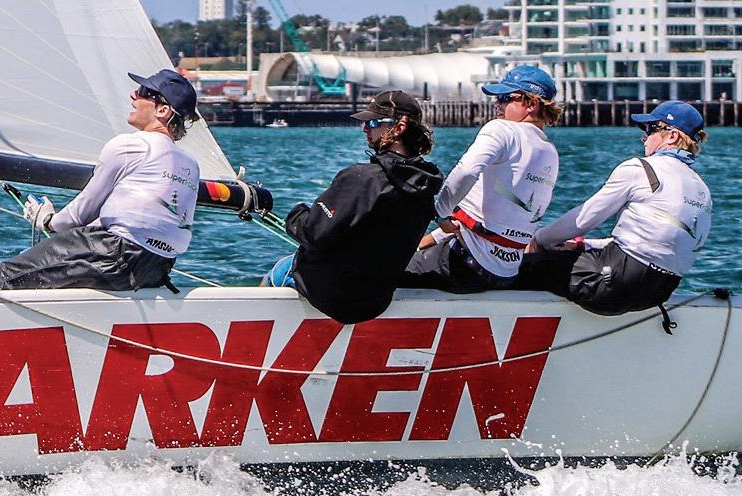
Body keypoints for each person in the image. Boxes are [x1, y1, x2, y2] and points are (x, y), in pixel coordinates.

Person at [0, 69, 201, 291]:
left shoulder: (131, 145)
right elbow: (142, 219)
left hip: (114, 254)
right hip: (157, 268)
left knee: (2, 278)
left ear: (163, 110)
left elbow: (80, 214)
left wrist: (47, 220)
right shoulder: (191, 163)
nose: (133, 94)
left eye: (144, 91)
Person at [515, 101, 713, 315]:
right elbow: (657, 245)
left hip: (614, 284)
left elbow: (587, 217)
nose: (644, 138)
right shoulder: (702, 189)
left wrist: (540, 240)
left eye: (650, 129)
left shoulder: (641, 168)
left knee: (518, 266)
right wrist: (583, 245)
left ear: (672, 136)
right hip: (658, 292)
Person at [262, 90, 443, 323]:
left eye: (374, 122)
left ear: (399, 128)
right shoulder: (426, 187)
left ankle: (254, 341)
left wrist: (297, 213)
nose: (365, 128)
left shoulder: (362, 178)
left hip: (333, 297)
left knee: (280, 270)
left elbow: (312, 233)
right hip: (374, 302)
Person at [399, 65, 560, 293]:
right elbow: (493, 213)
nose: (497, 104)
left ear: (532, 104)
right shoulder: (550, 152)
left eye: (505, 98)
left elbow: (466, 172)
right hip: (505, 274)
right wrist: (427, 240)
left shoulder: (502, 130)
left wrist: (440, 212)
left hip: (464, 266)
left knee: (375, 270)